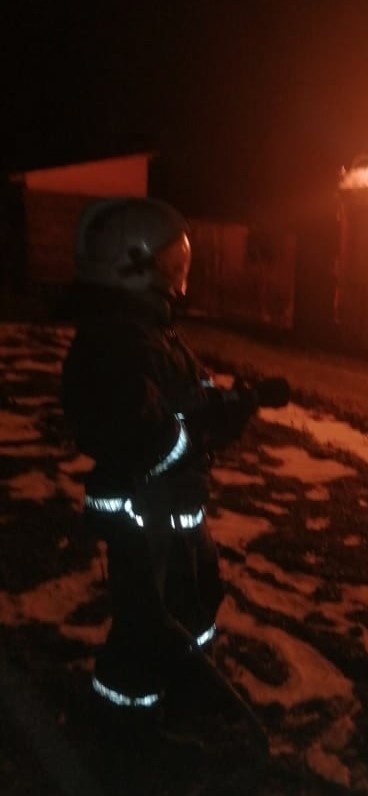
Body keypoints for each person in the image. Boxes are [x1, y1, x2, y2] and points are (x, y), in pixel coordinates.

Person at [60, 197, 286, 715]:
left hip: (174, 511)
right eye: (170, 262)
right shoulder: (115, 343)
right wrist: (203, 427)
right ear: (134, 264)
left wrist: (239, 401)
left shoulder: (149, 329)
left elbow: (185, 399)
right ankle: (126, 720)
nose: (179, 274)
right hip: (143, 517)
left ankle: (186, 687)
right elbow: (143, 436)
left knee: (195, 603)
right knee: (146, 627)